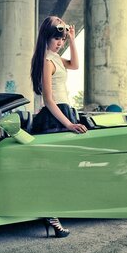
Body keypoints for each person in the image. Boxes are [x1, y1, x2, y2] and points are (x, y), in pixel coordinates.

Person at [30, 16, 88, 238]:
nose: (59, 42)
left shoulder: (57, 58)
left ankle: (54, 212)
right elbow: (48, 100)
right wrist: (69, 124)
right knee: (54, 171)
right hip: (56, 118)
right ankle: (52, 215)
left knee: (61, 170)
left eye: (61, 39)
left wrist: (72, 39)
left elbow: (75, 65)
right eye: (57, 38)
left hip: (64, 114)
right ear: (47, 36)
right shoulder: (47, 61)